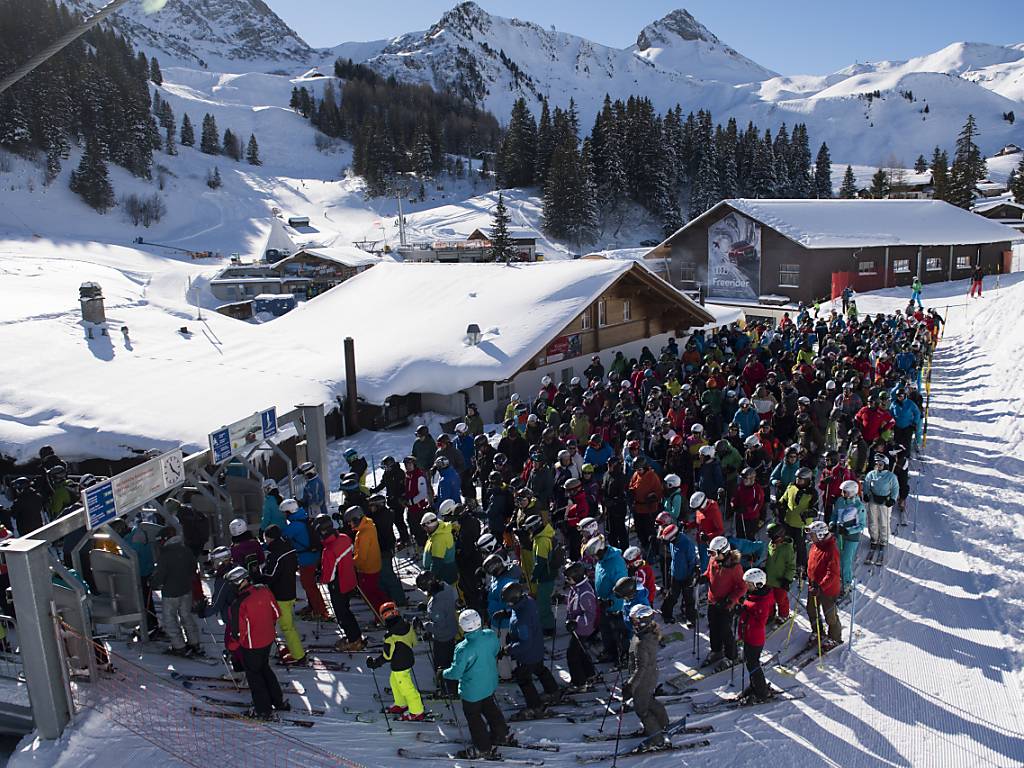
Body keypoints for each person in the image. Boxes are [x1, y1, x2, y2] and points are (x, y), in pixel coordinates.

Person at [224, 567, 290, 720]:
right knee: (265, 668)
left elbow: (238, 633)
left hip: (252, 645)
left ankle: (263, 710)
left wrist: (231, 648)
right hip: (268, 639)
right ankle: (277, 701)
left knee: (255, 677)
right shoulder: (264, 591)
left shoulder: (239, 604)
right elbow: (276, 613)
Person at [443, 609, 509, 760]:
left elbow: (456, 672)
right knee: (490, 708)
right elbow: (495, 651)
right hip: (489, 683)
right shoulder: (490, 635)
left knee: (474, 718)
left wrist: (443, 673)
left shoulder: (463, 648)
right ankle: (501, 733)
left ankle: (483, 747)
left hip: (472, 691)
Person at [499, 582, 560, 715]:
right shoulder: (528, 601)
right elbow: (519, 611)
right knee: (540, 669)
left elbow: (524, 643)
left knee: (523, 678)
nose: (508, 604)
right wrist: (507, 613)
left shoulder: (522, 620)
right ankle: (553, 691)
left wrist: (507, 649)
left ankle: (535, 706)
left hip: (527, 655)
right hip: (537, 647)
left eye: (509, 603)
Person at [367, 603, 425, 721]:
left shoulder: (390, 636)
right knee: (394, 681)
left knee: (406, 688)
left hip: (400, 664)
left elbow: (387, 656)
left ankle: (417, 711)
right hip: (407, 659)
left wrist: (375, 663)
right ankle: (401, 703)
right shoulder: (406, 625)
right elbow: (414, 641)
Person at [151, 526, 203, 657]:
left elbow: (160, 575)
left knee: (170, 620)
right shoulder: (185, 550)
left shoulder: (165, 555)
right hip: (186, 589)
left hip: (170, 593)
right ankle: (194, 642)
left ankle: (179, 646)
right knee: (186, 616)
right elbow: (193, 568)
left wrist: (153, 583)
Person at [316, 514, 365, 652]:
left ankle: (354, 639)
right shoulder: (344, 537)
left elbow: (329, 575)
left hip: (339, 585)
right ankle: (355, 636)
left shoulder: (329, 549)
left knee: (342, 614)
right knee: (346, 610)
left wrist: (321, 577)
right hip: (350, 579)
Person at [623, 604, 669, 746]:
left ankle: (657, 740)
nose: (632, 624)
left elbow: (640, 668)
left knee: (641, 708)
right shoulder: (648, 634)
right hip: (651, 674)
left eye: (635, 621)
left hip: (644, 678)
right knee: (647, 700)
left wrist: (630, 686)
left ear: (643, 622)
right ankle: (662, 724)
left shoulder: (642, 642)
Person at [259, 525, 305, 665]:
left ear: (270, 538)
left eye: (265, 538)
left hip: (281, 594)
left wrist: (259, 575)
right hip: (289, 590)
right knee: (286, 623)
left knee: (286, 626)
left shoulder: (276, 554)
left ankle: (298, 656)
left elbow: (271, 575)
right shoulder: (288, 547)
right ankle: (290, 649)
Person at [281, 499, 329, 621]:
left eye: (285, 513)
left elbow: (282, 536)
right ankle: (313, 606)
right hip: (312, 555)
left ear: (289, 512)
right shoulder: (303, 517)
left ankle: (320, 611)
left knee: (309, 585)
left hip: (306, 558)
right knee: (309, 584)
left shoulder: (295, 525)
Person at [586, 535, 629, 664]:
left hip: (616, 606)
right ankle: (611, 652)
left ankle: (624, 656)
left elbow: (622, 586)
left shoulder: (615, 563)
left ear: (601, 551)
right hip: (603, 604)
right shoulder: (602, 560)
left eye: (595, 555)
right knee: (606, 630)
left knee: (619, 633)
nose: (594, 558)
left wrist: (611, 600)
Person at [703, 535, 744, 670]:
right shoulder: (713, 560)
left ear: (724, 552)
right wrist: (701, 578)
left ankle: (732, 656)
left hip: (726, 605)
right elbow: (708, 574)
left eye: (714, 553)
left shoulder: (734, 567)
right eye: (711, 553)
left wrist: (730, 599)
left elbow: (742, 587)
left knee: (725, 630)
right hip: (712, 600)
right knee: (713, 627)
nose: (712, 555)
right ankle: (716, 650)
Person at [415, 571, 459, 694]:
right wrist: (427, 608)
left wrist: (425, 626)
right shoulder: (445, 586)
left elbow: (440, 627)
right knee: (451, 660)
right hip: (452, 630)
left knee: (441, 664)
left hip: (443, 637)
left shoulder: (437, 604)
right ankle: (451, 684)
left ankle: (447, 689)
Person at [345, 506, 389, 616]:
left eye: (351, 522)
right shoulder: (369, 525)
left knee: (369, 594)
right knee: (375, 589)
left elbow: (362, 557)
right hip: (374, 564)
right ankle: (388, 606)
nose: (350, 525)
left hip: (368, 569)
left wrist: (351, 563)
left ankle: (380, 615)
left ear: (356, 519)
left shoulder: (364, 534)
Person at [737, 568, 773, 701]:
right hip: (748, 635)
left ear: (758, 584)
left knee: (753, 665)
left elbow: (759, 620)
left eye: (749, 584)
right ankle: (754, 685)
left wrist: (744, 609)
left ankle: (761, 691)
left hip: (755, 638)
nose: (746, 586)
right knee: (749, 663)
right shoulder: (754, 596)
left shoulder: (762, 601)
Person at [806, 521, 843, 648]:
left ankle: (834, 637)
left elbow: (832, 573)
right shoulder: (815, 546)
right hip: (813, 585)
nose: (810, 537)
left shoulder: (831, 550)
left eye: (813, 534)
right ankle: (818, 631)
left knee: (830, 615)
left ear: (821, 534)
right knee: (811, 609)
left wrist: (821, 587)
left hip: (827, 589)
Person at [564, 561, 597, 687]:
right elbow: (574, 602)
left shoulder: (585, 592)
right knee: (581, 651)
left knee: (572, 655)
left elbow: (590, 614)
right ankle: (590, 674)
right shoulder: (577, 588)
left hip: (583, 629)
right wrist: (563, 598)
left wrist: (576, 622)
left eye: (569, 578)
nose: (567, 580)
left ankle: (579, 682)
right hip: (577, 627)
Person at [657, 523, 698, 626]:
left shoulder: (687, 544)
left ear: (674, 537)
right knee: (672, 595)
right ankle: (666, 613)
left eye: (669, 540)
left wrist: (690, 575)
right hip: (675, 574)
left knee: (688, 597)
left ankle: (690, 618)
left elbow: (692, 560)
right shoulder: (672, 542)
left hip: (686, 576)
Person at [778, 467, 818, 573]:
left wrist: (807, 513)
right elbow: (784, 498)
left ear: (808, 480)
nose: (798, 481)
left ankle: (802, 566)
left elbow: (815, 510)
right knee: (787, 544)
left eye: (801, 479)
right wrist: (778, 504)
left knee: (800, 546)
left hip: (801, 524)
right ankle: (786, 563)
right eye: (797, 478)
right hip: (789, 521)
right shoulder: (791, 487)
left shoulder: (812, 493)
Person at [831, 480, 866, 594]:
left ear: (852, 492)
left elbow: (861, 525)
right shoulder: (840, 501)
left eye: (845, 492)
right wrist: (832, 524)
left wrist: (848, 530)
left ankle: (846, 583)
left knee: (846, 560)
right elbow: (835, 515)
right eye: (842, 491)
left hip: (851, 537)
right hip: (839, 534)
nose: (842, 493)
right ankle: (837, 579)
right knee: (836, 559)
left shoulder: (858, 506)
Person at [863, 453, 899, 563]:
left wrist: (892, 499)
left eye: (880, 464)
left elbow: (895, 488)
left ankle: (883, 540)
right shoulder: (871, 474)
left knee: (884, 521)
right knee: (872, 520)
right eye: (877, 464)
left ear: (885, 465)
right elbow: (866, 485)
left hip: (885, 502)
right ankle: (874, 538)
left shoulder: (891, 476)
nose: (878, 466)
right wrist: (866, 494)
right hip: (874, 500)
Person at [525, 514, 557, 635]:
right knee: (544, 602)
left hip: (545, 577)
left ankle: (549, 628)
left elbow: (541, 562)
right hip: (546, 575)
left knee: (543, 604)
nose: (528, 531)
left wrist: (534, 576)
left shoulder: (541, 540)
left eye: (529, 528)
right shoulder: (541, 537)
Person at [763, 523, 795, 623]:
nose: (772, 540)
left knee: (781, 599)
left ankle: (784, 614)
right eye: (770, 537)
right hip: (769, 578)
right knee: (769, 599)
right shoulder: (771, 544)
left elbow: (791, 566)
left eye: (774, 537)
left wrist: (787, 579)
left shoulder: (787, 549)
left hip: (780, 580)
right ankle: (770, 614)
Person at [421, 512, 458, 585]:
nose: (424, 529)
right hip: (447, 572)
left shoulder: (439, 539)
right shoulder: (438, 531)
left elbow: (437, 562)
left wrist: (430, 579)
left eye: (425, 527)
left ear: (430, 525)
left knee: (447, 595)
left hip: (444, 576)